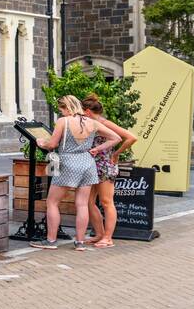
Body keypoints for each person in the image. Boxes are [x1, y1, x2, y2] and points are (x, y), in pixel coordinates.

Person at [37, 96, 120, 250]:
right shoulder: (93, 122)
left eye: (61, 109)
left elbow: (52, 144)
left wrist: (42, 143)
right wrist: (97, 149)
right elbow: (116, 138)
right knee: (82, 204)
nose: (61, 113)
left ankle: (51, 241)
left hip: (68, 162)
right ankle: (80, 243)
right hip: (88, 164)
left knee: (52, 202)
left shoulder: (64, 121)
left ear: (67, 108)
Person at [81, 93, 137, 249]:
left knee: (106, 202)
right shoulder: (89, 124)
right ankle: (99, 234)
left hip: (105, 166)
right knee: (88, 202)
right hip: (91, 166)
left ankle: (108, 237)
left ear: (87, 112)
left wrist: (116, 154)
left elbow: (131, 137)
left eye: (81, 112)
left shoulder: (105, 123)